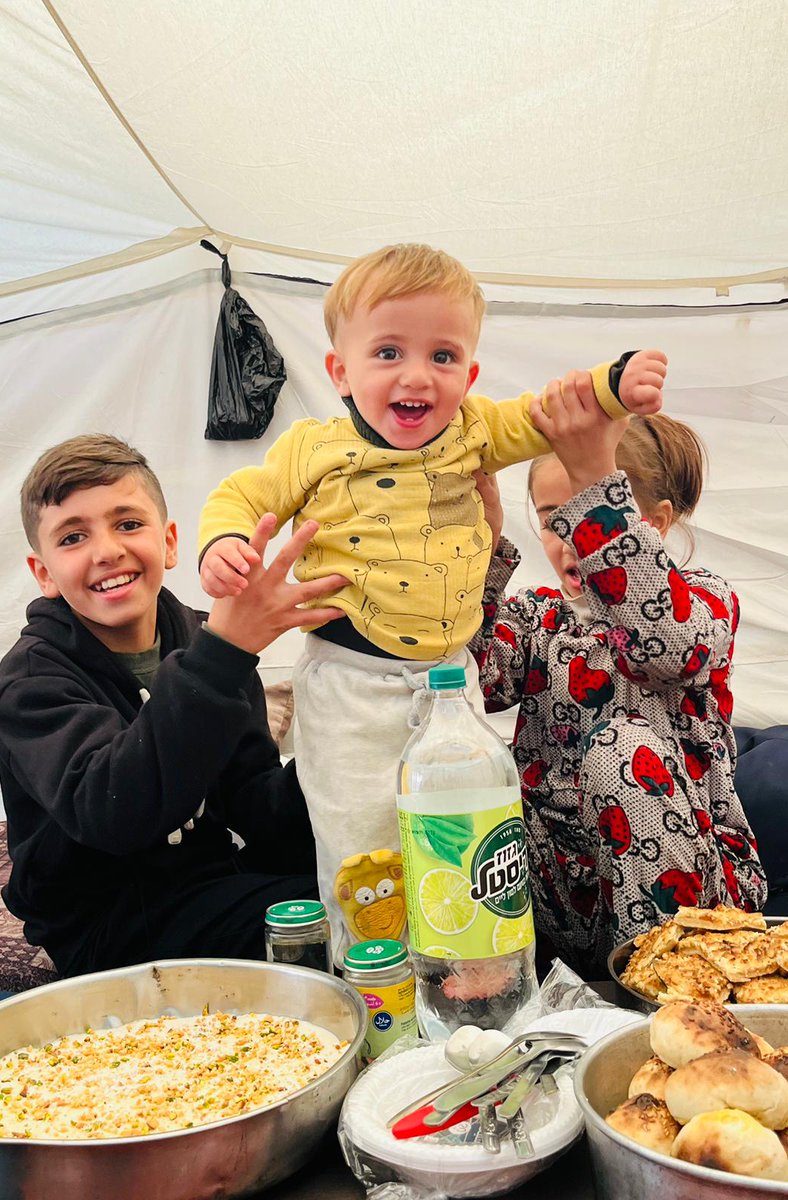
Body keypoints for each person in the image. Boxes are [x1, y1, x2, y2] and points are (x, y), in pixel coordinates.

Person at [197, 241, 667, 956]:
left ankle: (471, 968)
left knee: (465, 826)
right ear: (340, 372)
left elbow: (543, 414)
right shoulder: (312, 447)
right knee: (363, 841)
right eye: (388, 353)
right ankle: (371, 975)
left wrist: (612, 383)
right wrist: (224, 542)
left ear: (469, 374)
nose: (417, 375)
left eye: (442, 357)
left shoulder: (474, 432)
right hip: (351, 682)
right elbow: (242, 492)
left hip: (452, 681)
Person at [0, 434, 348, 978]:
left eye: (128, 524)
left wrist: (346, 745)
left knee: (370, 900)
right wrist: (224, 654)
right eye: (73, 537)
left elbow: (256, 805)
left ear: (171, 542)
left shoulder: (201, 637)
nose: (106, 549)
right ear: (44, 574)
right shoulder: (33, 680)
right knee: (330, 932)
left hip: (211, 880)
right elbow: (112, 811)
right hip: (108, 924)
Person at [470, 376, 768, 975]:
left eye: (588, 518)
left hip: (694, 906)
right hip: (564, 893)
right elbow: (475, 680)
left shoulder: (705, 602)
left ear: (651, 525)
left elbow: (667, 647)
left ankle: (666, 986)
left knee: (620, 749)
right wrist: (479, 547)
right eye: (554, 519)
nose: (569, 540)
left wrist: (595, 491)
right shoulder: (541, 617)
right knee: (466, 774)